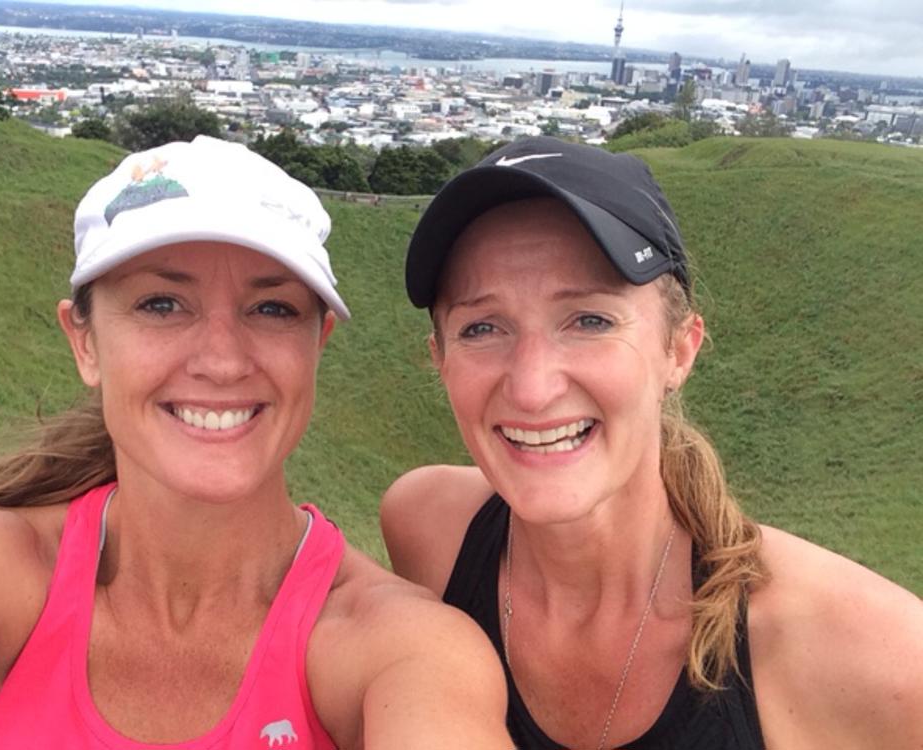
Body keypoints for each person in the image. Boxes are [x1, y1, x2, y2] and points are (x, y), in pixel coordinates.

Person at [0, 136, 512, 749]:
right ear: (85, 342)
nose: (223, 361)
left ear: (317, 344)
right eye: (162, 304)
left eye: (272, 309)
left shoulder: (399, 648)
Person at [382, 136, 923, 750]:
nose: (532, 389)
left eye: (590, 320)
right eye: (482, 328)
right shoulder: (426, 528)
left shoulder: (873, 655)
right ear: (440, 359)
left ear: (680, 349)